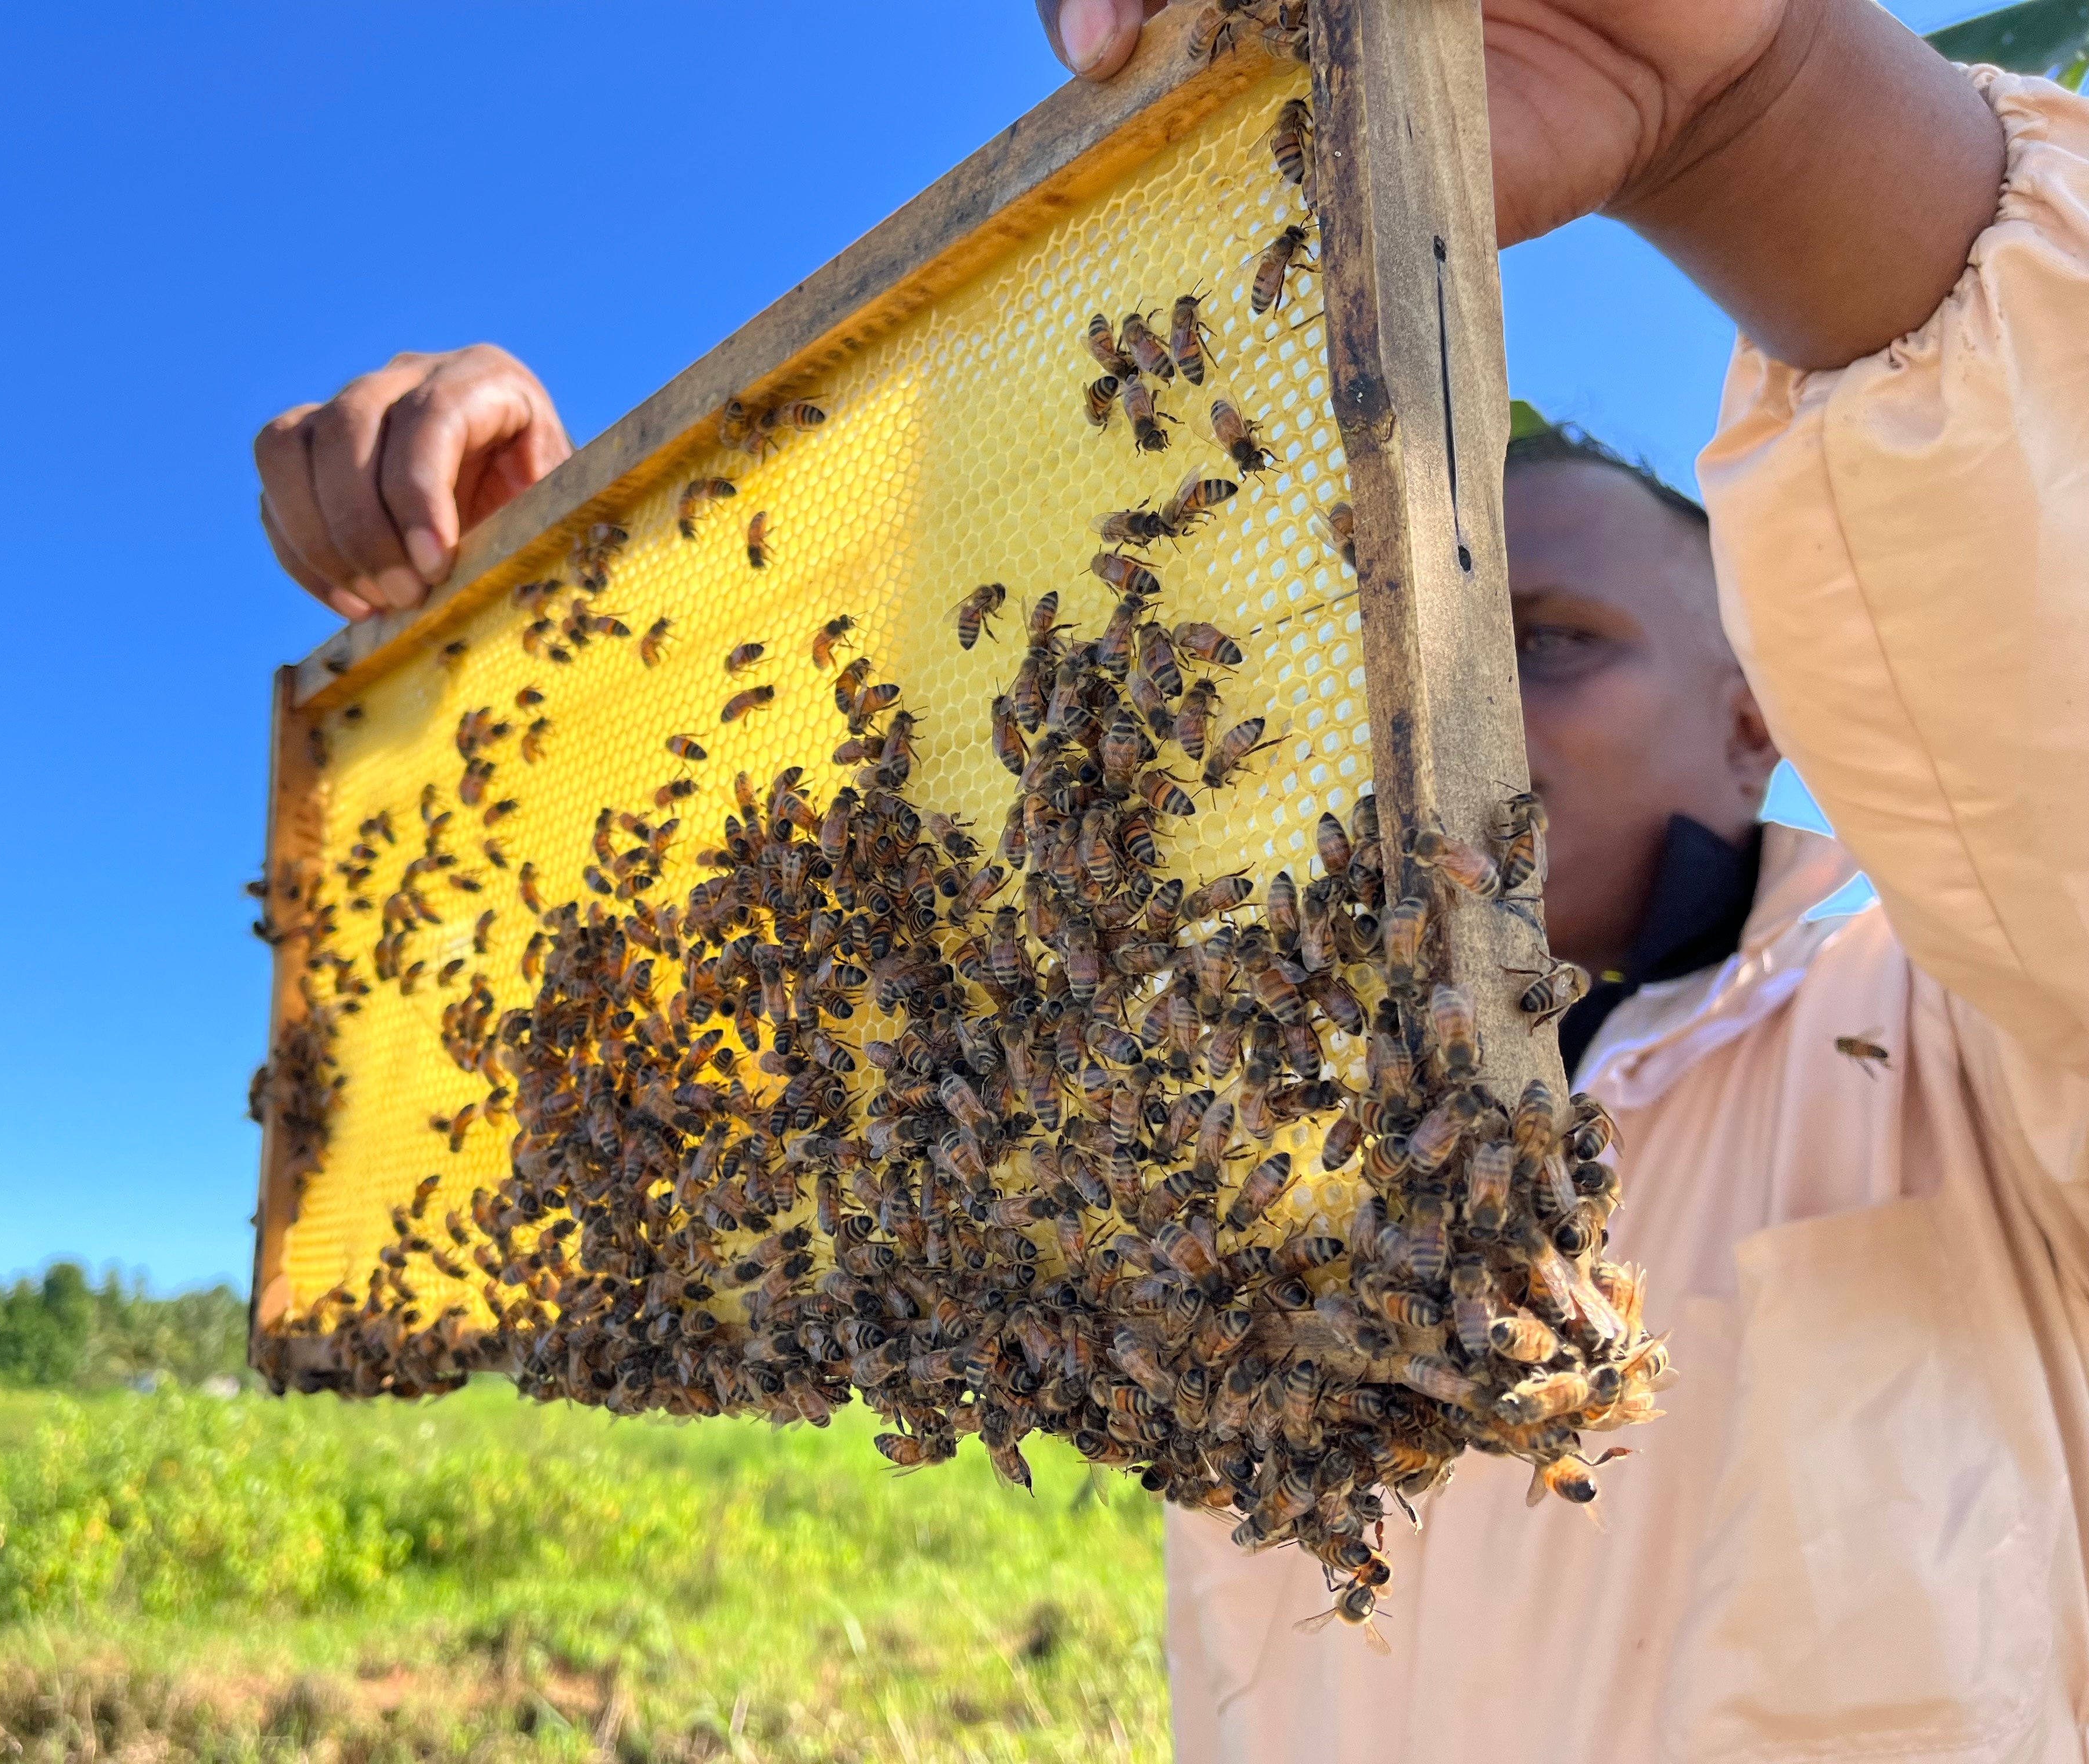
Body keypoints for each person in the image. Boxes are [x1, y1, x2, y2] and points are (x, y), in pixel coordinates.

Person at [254, 0, 2089, 1754]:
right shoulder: (1216, 1126)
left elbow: (2036, 684)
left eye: (1549, 639)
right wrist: (577, 649)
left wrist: (1763, 107)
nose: (1449, 702)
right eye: (1394, 631)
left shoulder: (1966, 1065)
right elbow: (766, 1033)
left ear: (1759, 716)